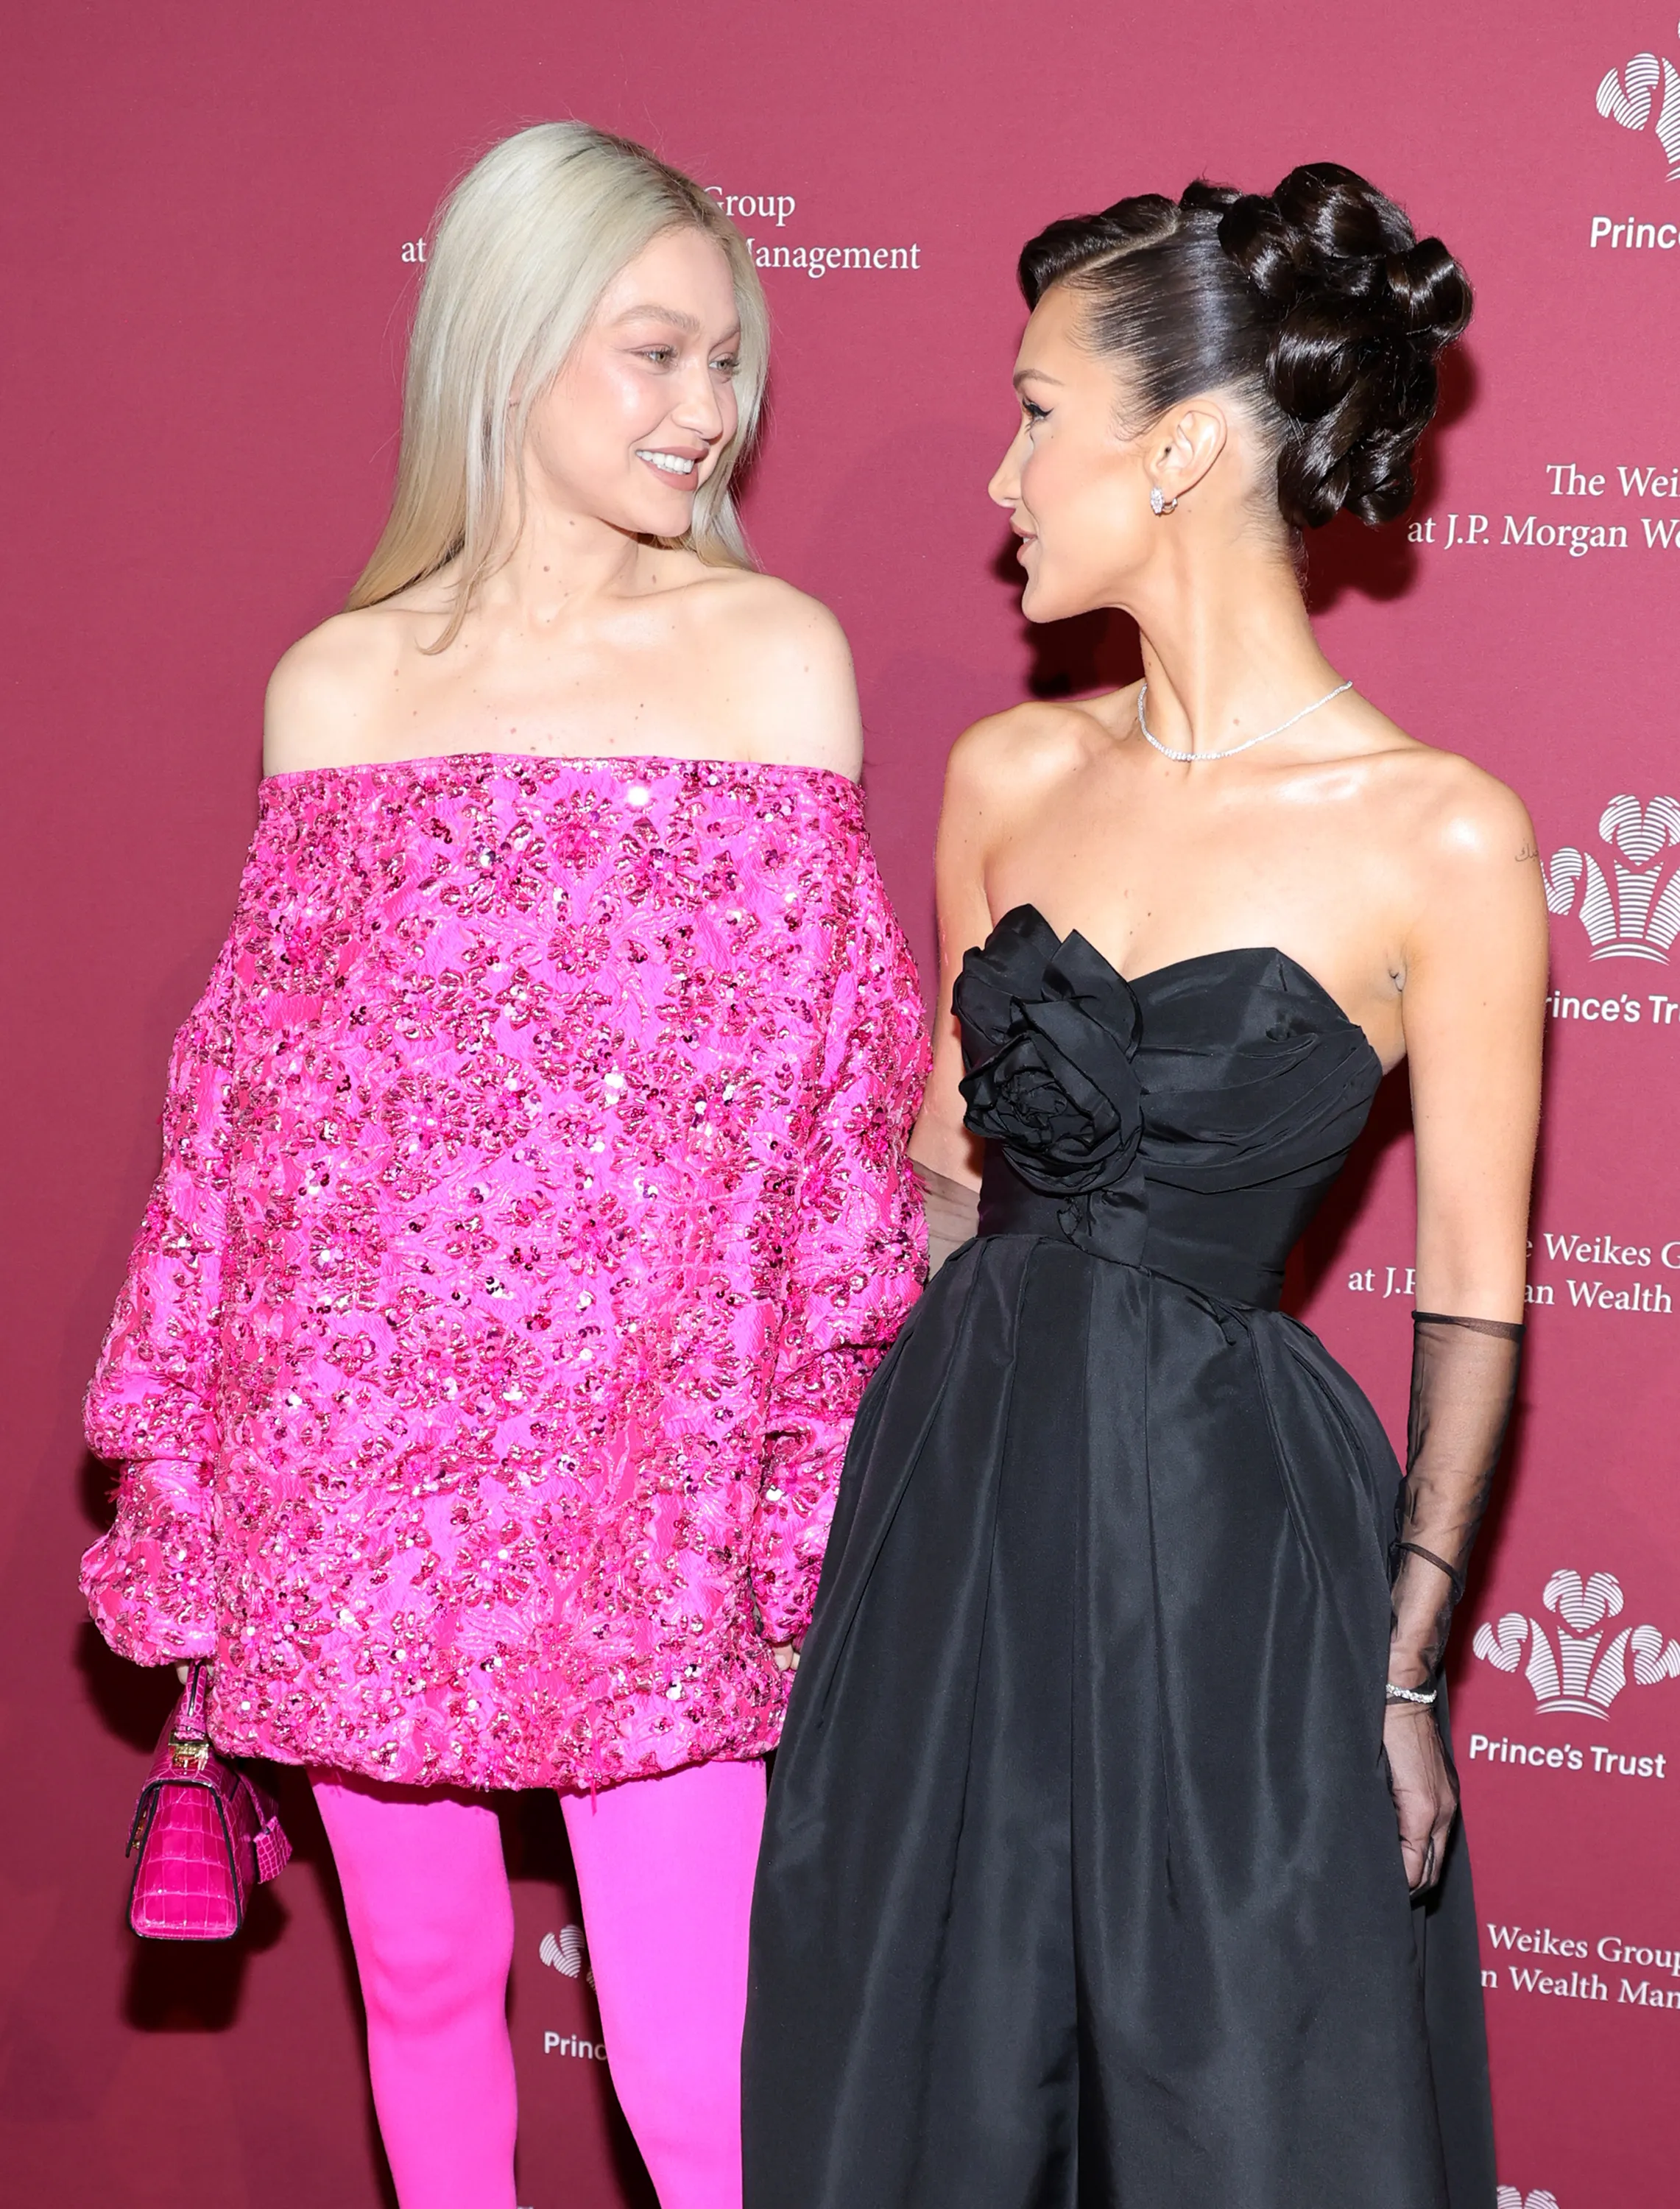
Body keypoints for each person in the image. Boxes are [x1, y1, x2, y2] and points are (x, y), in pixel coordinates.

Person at [81, 121, 926, 2209]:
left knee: (687, 2036)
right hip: (365, 1468)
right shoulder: (341, 689)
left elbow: (830, 1118)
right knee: (433, 1979)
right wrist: (199, 1466)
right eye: (653, 354)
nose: (706, 410)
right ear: (508, 341)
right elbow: (251, 1139)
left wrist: (798, 1461)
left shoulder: (769, 659)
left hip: (651, 1471)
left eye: (727, 362)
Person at [744, 164, 1545, 2209]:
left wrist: (1405, 1672)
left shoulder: (1442, 838)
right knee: (919, 2078)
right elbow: (941, 1180)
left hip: (1229, 1550)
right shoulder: (1008, 778)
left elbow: (1476, 1302)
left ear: (1181, 447)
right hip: (960, 1509)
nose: (1003, 474)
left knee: (1239, 2104)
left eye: (1036, 413)